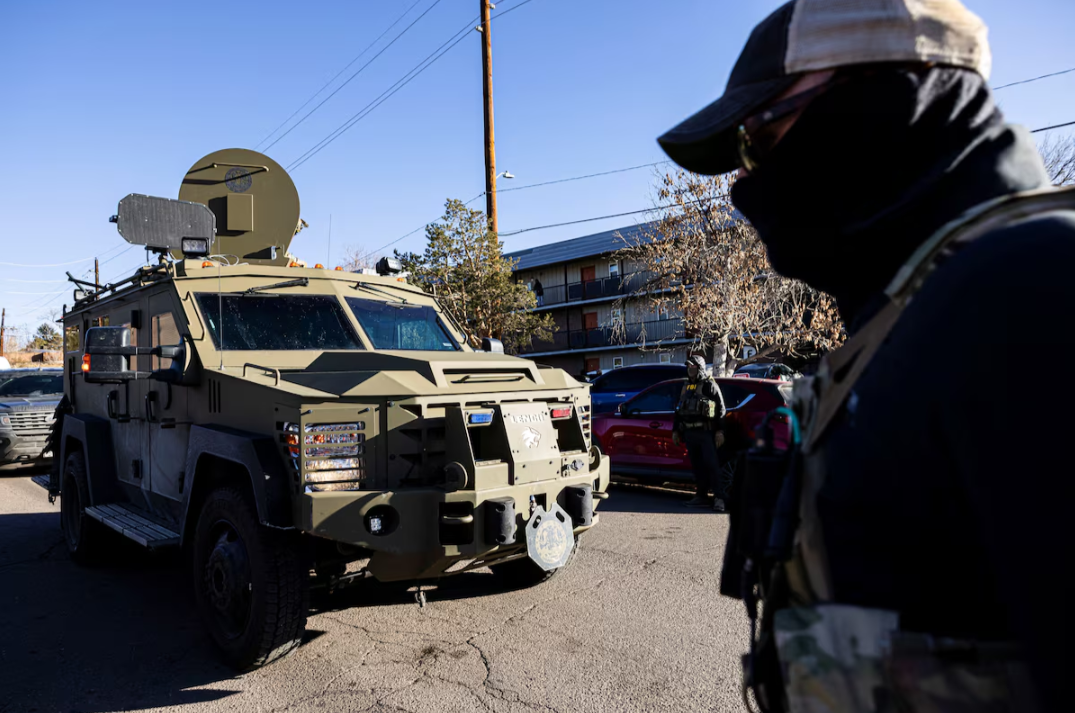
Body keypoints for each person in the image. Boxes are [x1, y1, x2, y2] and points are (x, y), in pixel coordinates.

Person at [656, 0, 1072, 710]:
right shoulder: (914, 311)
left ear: (885, 97)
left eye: (761, 138)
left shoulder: (1029, 286)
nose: (745, 183)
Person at [672, 355, 726, 511]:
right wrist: (675, 430)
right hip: (689, 433)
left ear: (700, 368)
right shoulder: (686, 386)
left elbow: (721, 409)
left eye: (693, 367)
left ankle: (719, 498)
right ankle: (701, 496)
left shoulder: (710, 385)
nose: (690, 370)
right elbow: (678, 410)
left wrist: (720, 431)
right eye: (689, 367)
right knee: (697, 467)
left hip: (706, 433)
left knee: (712, 466)